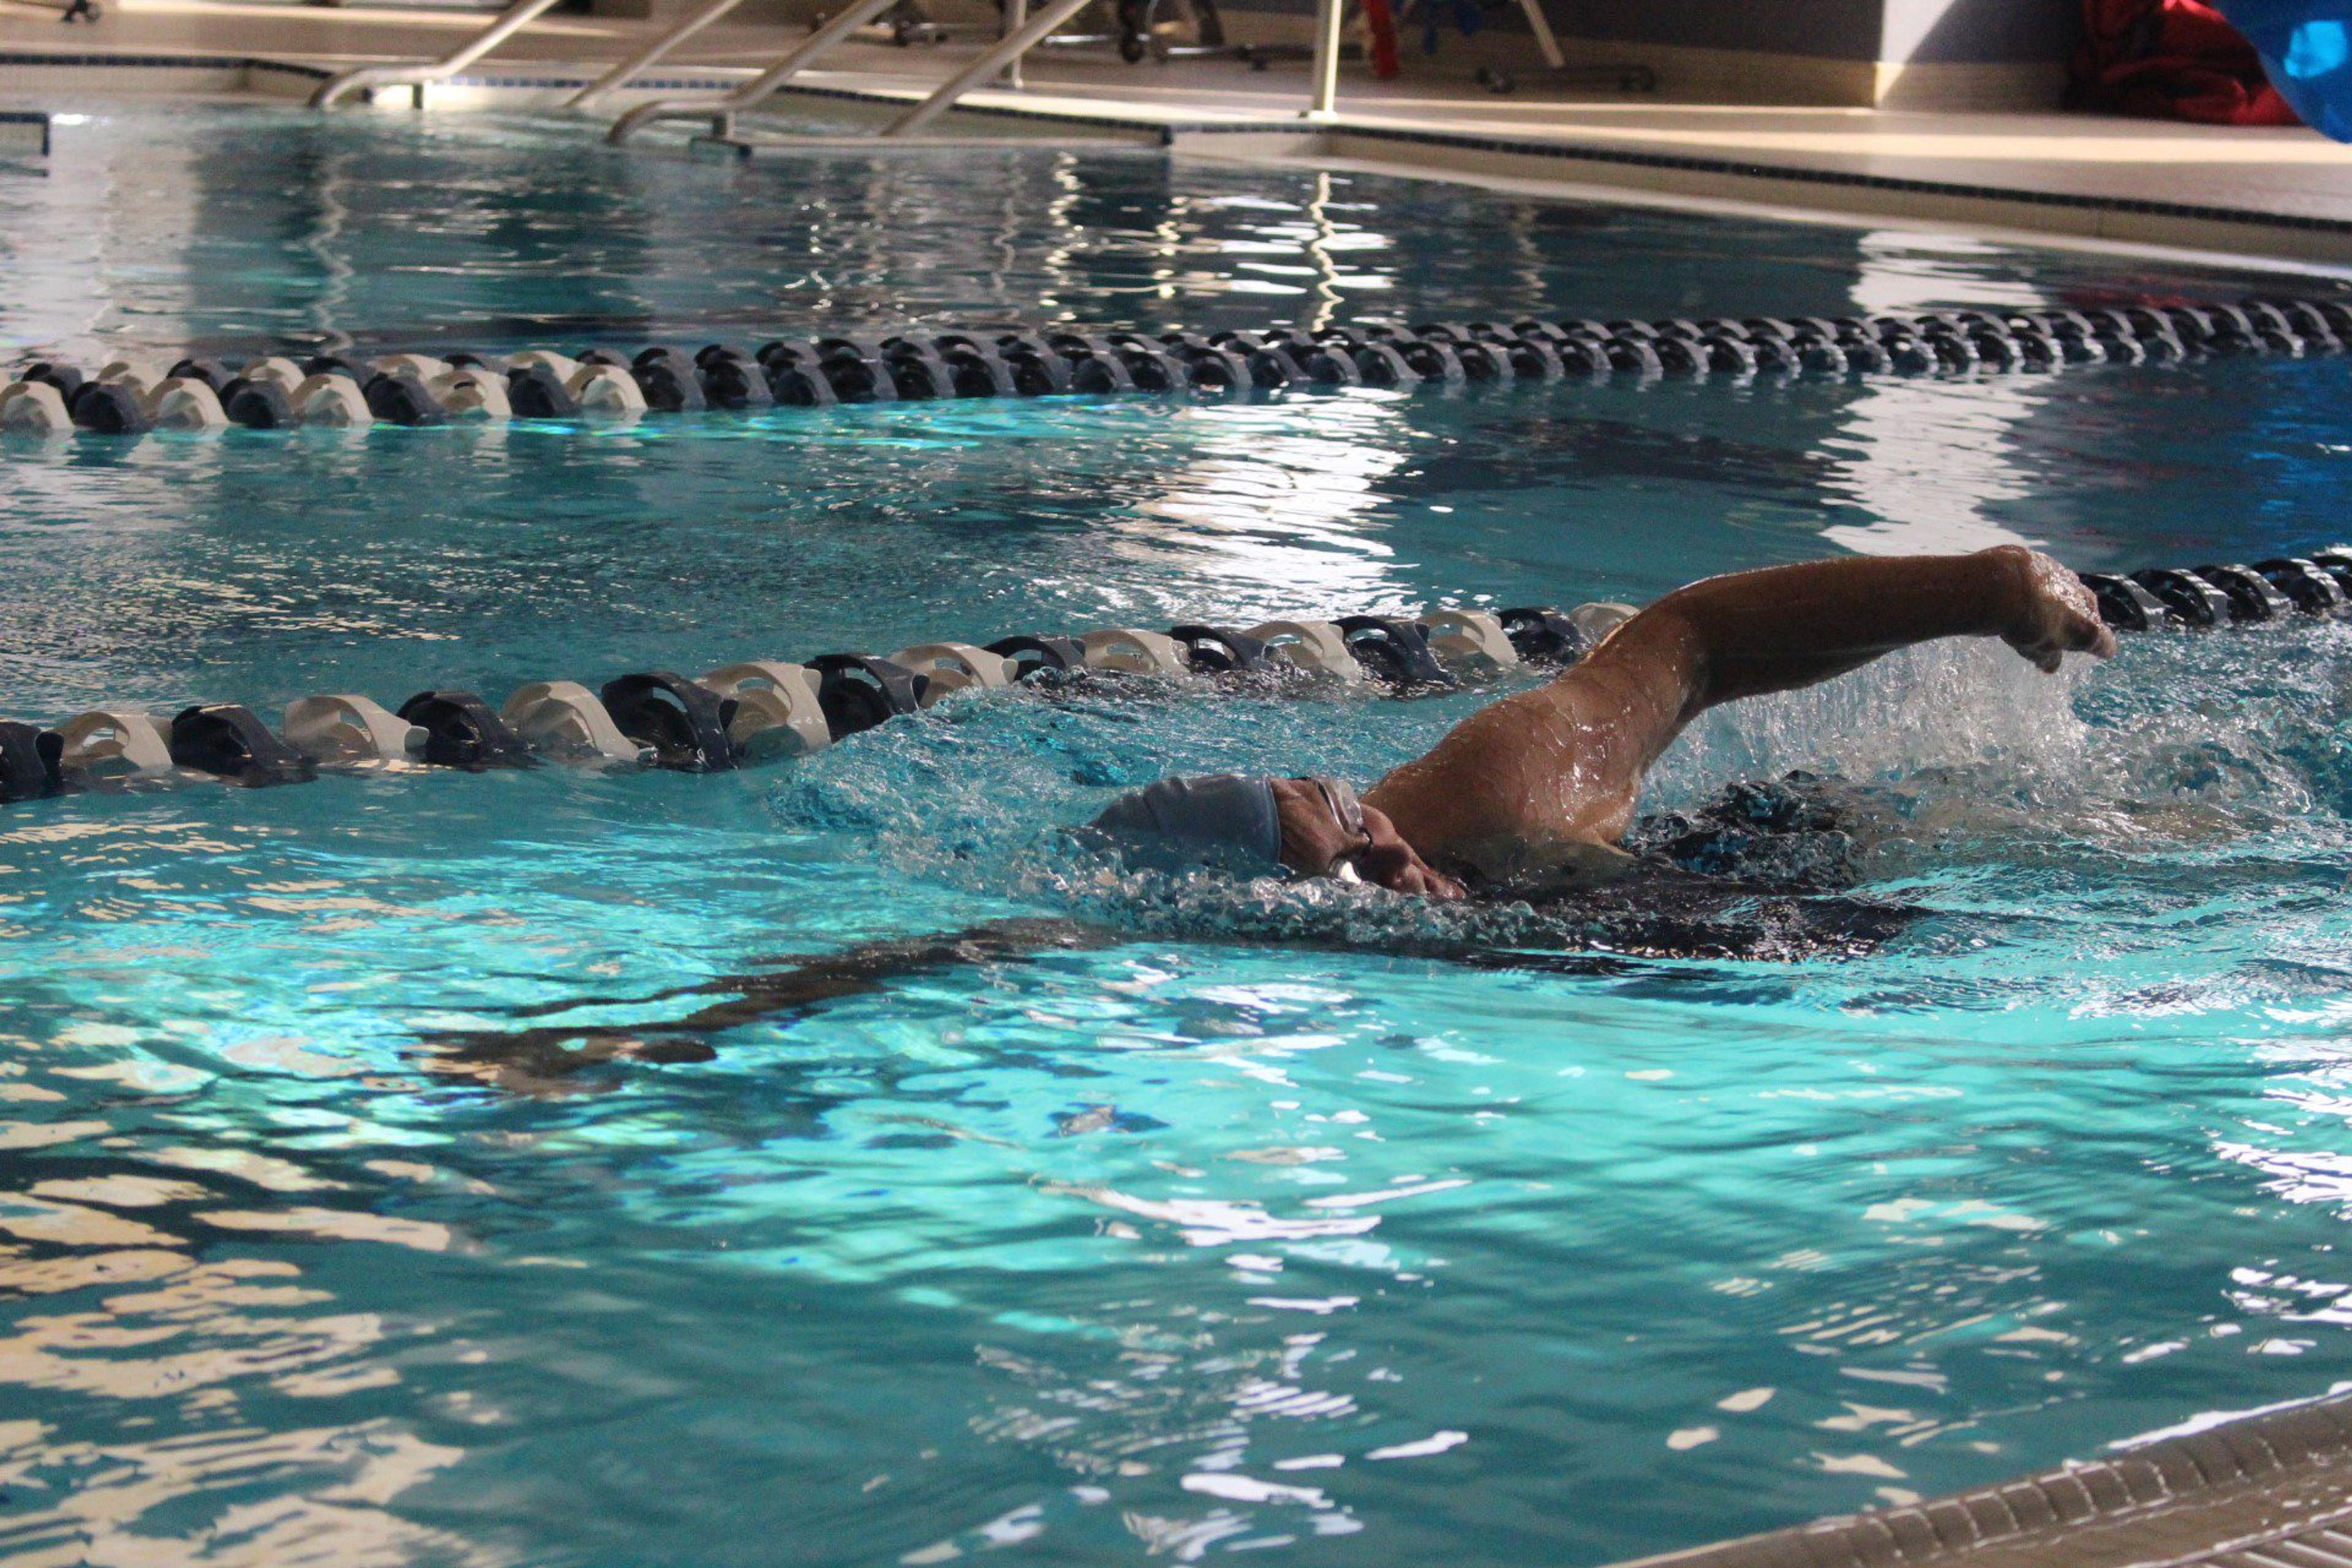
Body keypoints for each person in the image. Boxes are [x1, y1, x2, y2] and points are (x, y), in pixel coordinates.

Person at [1087, 546, 2117, 899]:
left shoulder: (1490, 793)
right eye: (1354, 870)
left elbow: (1696, 640)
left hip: (1821, 849)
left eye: (1358, 816)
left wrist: (1982, 591)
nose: (1397, 858)